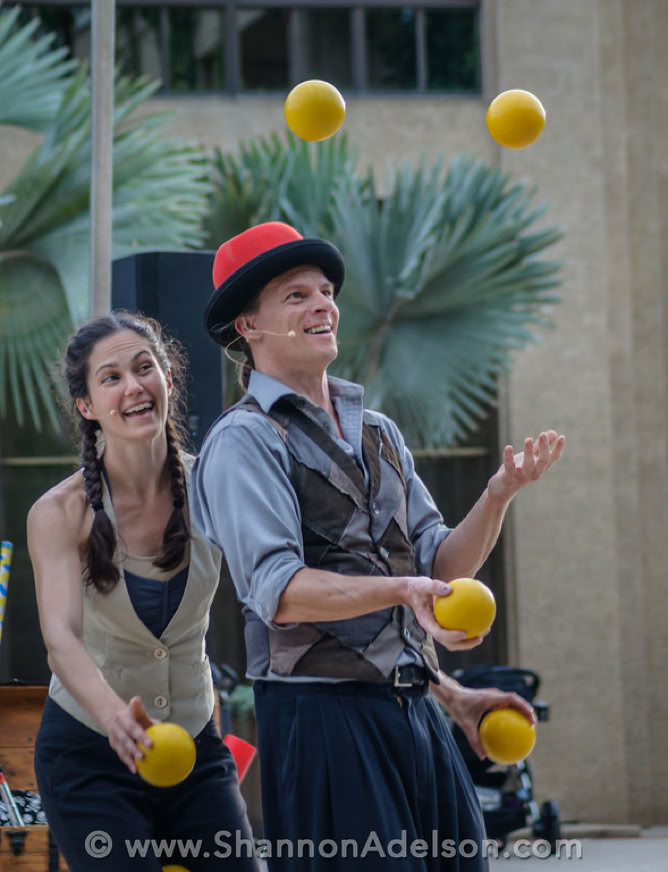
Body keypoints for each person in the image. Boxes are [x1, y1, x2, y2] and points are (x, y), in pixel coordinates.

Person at [192, 222, 566, 871]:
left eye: (326, 291)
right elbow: (279, 591)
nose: (323, 306)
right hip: (320, 722)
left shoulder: (380, 431)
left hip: (415, 712)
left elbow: (441, 565)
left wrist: (498, 494)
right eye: (296, 295)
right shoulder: (244, 441)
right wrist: (405, 591)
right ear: (248, 327)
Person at [27, 312, 258, 871]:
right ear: (87, 406)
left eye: (144, 367)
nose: (133, 386)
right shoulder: (60, 513)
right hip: (88, 754)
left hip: (194, 749)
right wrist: (114, 718)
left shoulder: (214, 488)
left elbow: (282, 588)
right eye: (110, 377)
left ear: (168, 379)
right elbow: (61, 640)